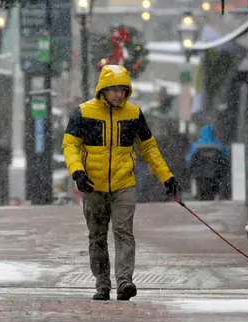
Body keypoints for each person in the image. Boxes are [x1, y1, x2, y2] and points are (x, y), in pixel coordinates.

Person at [62, 65, 178, 301]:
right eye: (115, 90)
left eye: (124, 91)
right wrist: (77, 172)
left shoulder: (134, 114)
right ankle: (102, 283)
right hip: (92, 185)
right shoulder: (83, 113)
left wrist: (167, 176)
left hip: (124, 184)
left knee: (124, 231)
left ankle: (125, 281)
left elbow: (148, 148)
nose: (120, 95)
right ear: (103, 89)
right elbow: (70, 145)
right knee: (97, 236)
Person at [186, 124, 230, 200]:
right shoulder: (219, 145)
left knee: (203, 194)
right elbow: (226, 158)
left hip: (200, 175)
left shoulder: (195, 146)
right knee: (213, 193)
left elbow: (189, 160)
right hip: (216, 174)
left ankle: (200, 197)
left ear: (201, 133)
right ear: (213, 133)